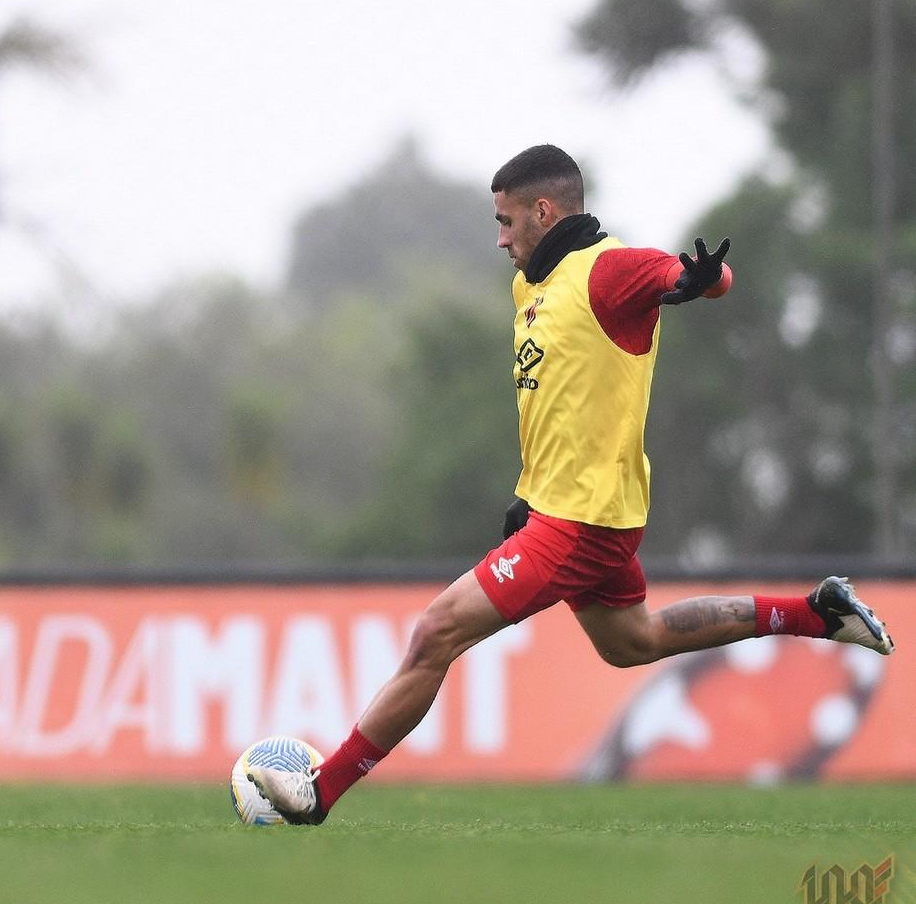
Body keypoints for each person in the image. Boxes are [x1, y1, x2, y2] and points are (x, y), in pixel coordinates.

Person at [249, 144, 895, 824]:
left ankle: (320, 791)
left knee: (436, 632)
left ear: (543, 210)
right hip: (576, 513)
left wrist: (703, 280)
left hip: (581, 523)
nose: (499, 237)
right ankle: (816, 613)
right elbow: (558, 401)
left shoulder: (608, 270)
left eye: (505, 221)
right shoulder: (529, 284)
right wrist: (528, 497)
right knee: (632, 644)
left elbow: (701, 277)